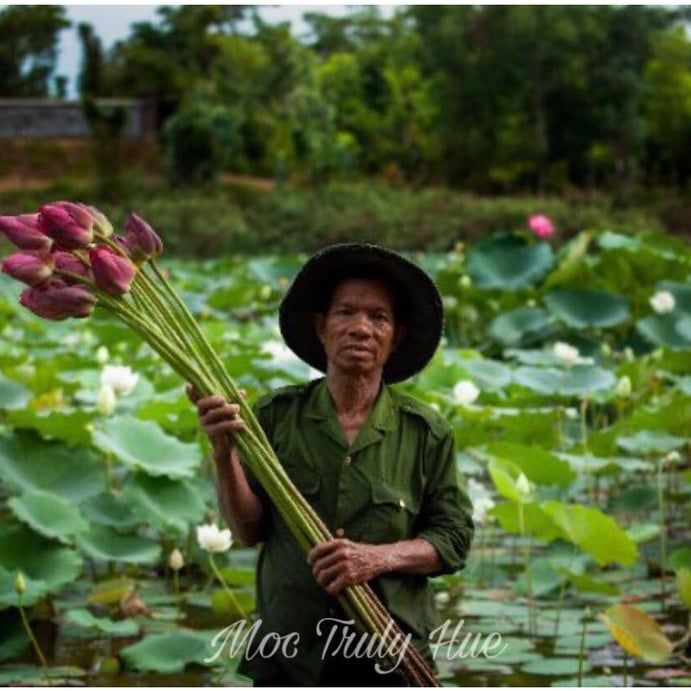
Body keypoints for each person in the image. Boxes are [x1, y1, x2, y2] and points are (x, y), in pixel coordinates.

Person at [188, 243, 475, 686]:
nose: (361, 328)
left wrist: (376, 558)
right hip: (289, 654)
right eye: (346, 313)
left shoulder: (427, 433)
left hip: (388, 655)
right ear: (321, 327)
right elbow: (248, 531)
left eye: (378, 317)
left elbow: (453, 539)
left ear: (395, 337)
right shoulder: (274, 417)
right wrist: (224, 452)